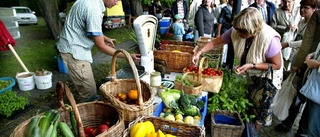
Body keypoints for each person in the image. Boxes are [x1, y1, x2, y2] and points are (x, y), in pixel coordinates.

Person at [192, 7, 283, 134]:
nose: (238, 33)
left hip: (269, 78)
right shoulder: (237, 30)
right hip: (253, 74)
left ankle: (253, 133)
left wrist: (252, 65)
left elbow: (276, 65)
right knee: (251, 104)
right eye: (237, 30)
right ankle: (248, 130)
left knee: (260, 111)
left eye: (242, 32)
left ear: (253, 29)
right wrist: (199, 53)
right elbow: (215, 43)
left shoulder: (269, 39)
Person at [55, 0, 141, 102]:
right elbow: (101, 47)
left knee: (88, 90)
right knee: (89, 93)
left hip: (72, 47)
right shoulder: (94, 9)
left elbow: (90, 27)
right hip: (74, 52)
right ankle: (86, 114)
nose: (116, 3)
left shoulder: (91, 2)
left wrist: (105, 38)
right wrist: (128, 56)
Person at [274, 0, 317, 135]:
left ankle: (297, 127)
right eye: (301, 7)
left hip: (308, 63)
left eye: (306, 8)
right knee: (295, 93)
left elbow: (305, 43)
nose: (302, 10)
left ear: (314, 9)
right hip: (300, 60)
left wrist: (288, 44)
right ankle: (288, 122)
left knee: (301, 96)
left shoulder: (315, 23)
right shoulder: (303, 21)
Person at [290, 10, 320, 137]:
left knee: (314, 128)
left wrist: (316, 64)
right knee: (310, 114)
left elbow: (307, 41)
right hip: (315, 81)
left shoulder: (316, 15)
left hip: (316, 78)